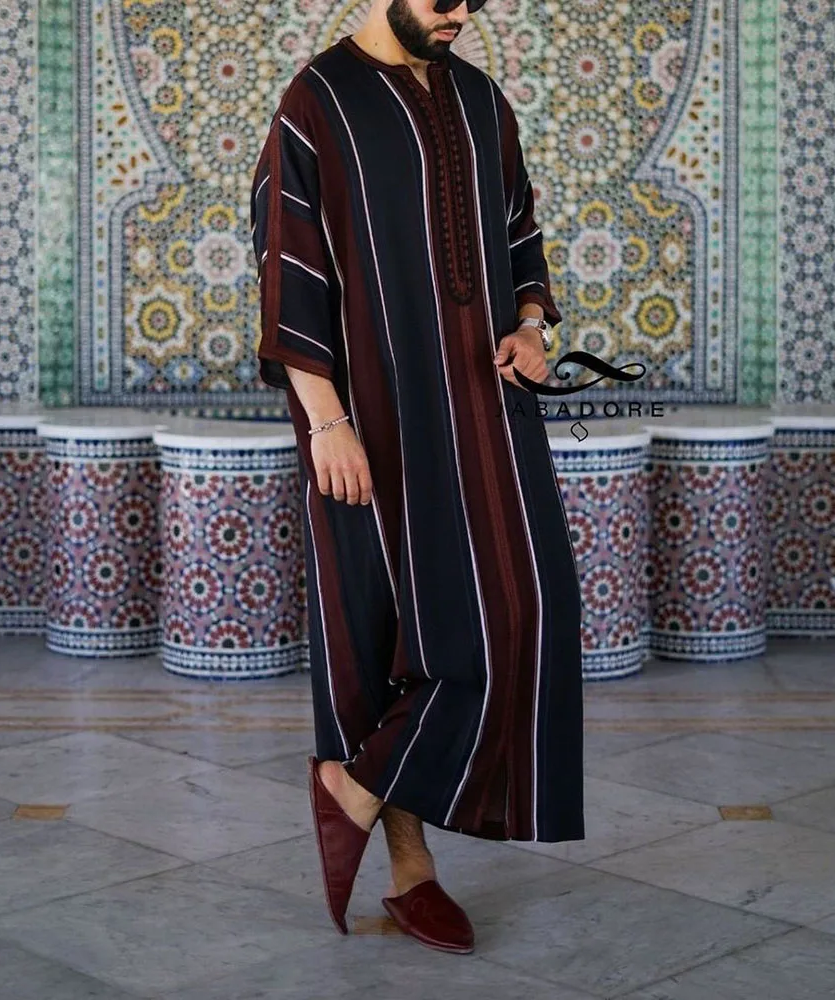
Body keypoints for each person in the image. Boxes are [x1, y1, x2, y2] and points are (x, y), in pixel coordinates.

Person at [250, 0, 584, 956]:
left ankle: (352, 785)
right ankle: (411, 871)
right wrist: (328, 424)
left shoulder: (480, 99)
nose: (461, 13)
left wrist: (532, 327)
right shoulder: (317, 103)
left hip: (487, 405)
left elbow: (519, 235)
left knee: (531, 608)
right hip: (371, 418)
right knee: (388, 632)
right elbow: (288, 271)